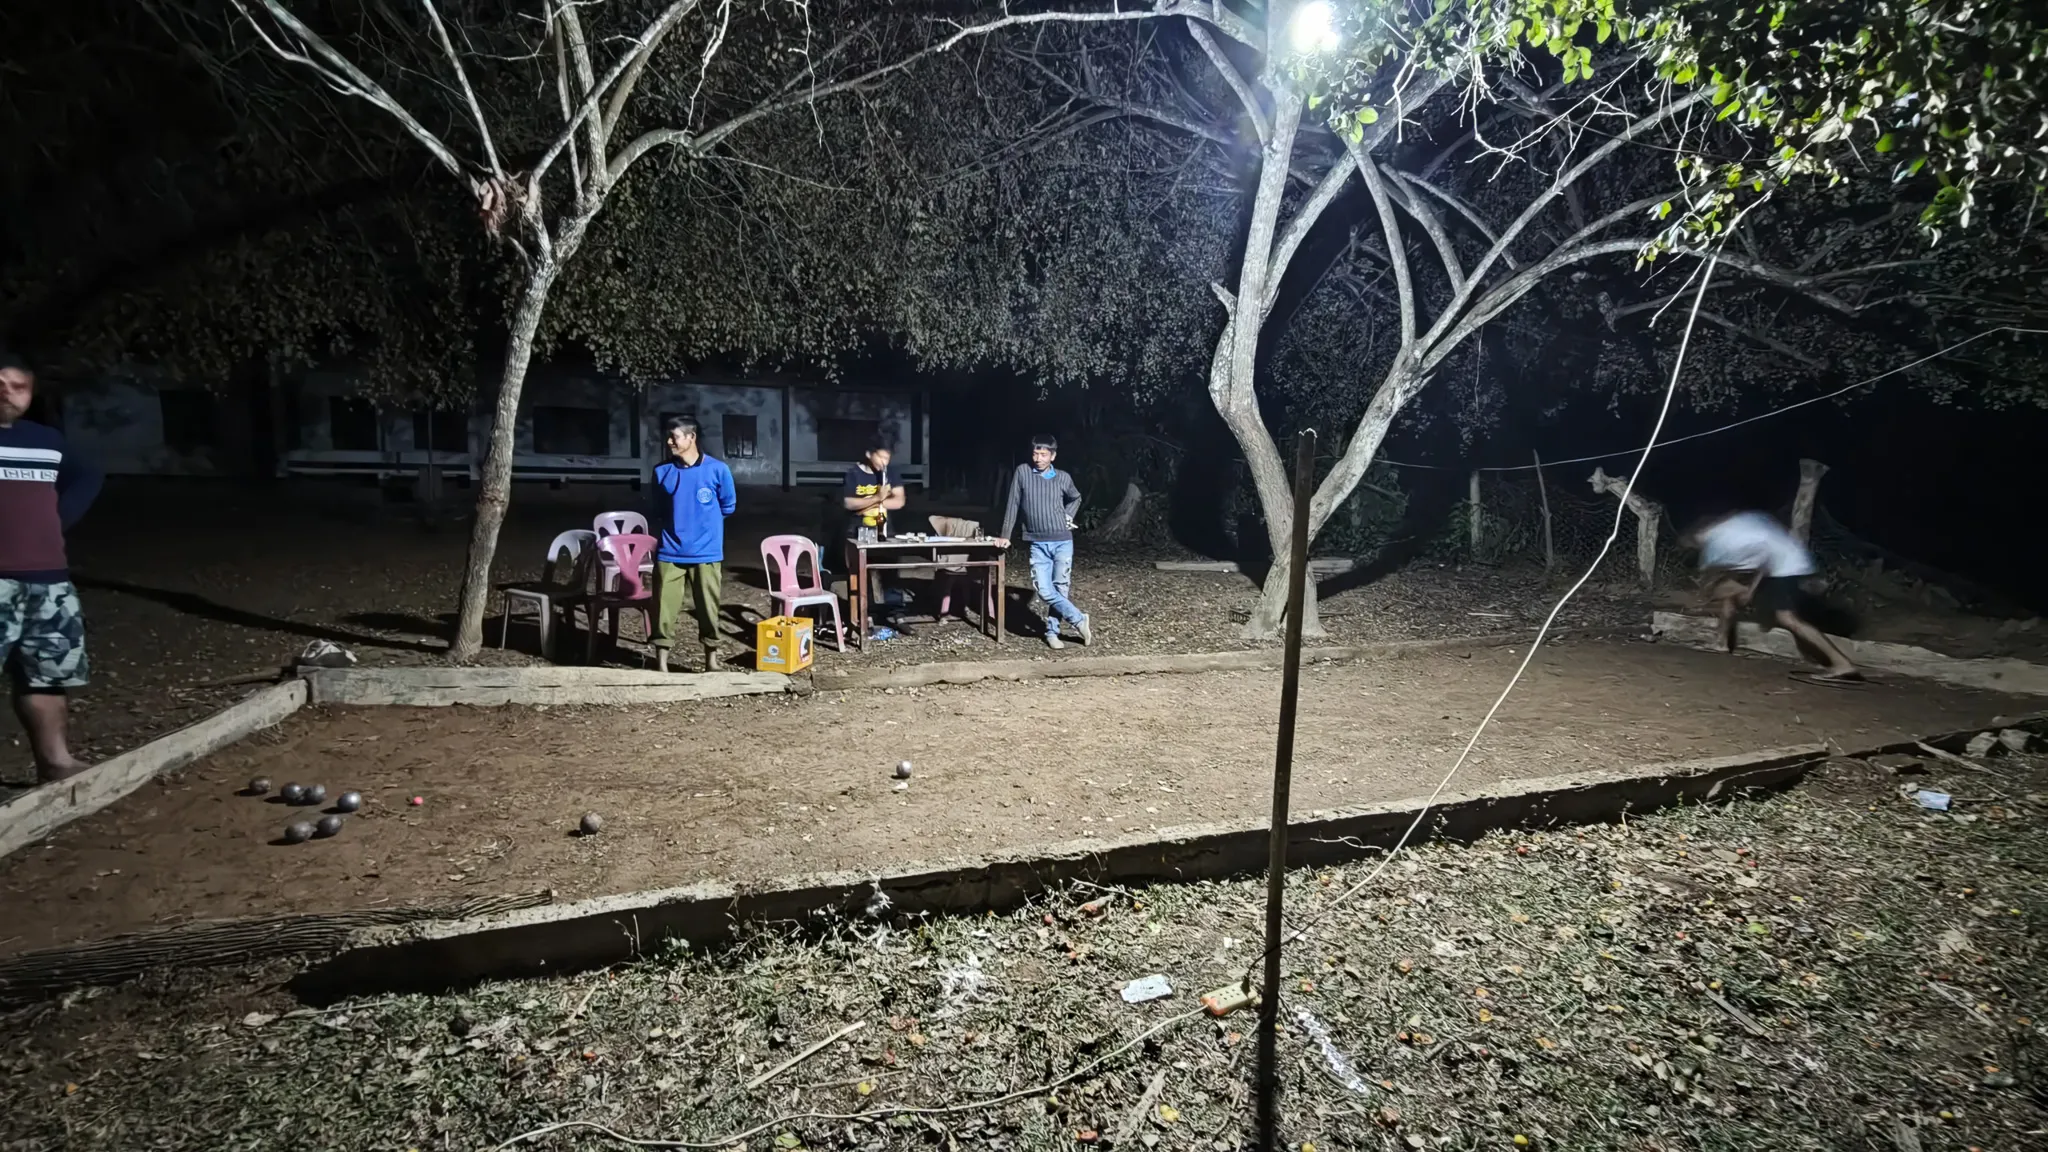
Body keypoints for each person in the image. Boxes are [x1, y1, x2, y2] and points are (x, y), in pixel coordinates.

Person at [0, 349, 103, 781]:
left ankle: (56, 763)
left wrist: (56, 522)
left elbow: (88, 475)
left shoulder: (46, 440)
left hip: (48, 584)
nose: (7, 392)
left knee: (45, 678)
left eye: (17, 385)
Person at [1684, 509, 1861, 683]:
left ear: (1699, 534)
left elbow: (1763, 556)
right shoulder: (1731, 529)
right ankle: (1721, 643)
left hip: (1785, 566)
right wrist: (1745, 588)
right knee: (1730, 594)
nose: (1696, 548)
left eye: (1694, 545)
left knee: (1787, 618)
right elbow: (1763, 545)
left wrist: (1750, 590)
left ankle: (1842, 664)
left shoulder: (1718, 539)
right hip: (1787, 560)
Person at [650, 415, 735, 673]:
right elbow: (658, 508)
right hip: (669, 552)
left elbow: (728, 505)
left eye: (674, 437)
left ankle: (711, 661)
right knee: (664, 609)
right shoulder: (661, 471)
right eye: (668, 436)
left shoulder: (718, 470)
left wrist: (704, 527)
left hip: (706, 553)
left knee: (709, 609)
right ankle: (661, 664)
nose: (669, 442)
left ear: (691, 437)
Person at [995, 434, 1091, 649]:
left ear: (1053, 456)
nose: (1038, 458)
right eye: (1035, 453)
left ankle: (1052, 632)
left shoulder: (1063, 478)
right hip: (1038, 543)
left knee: (1060, 588)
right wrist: (1005, 535)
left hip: (1062, 541)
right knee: (1045, 591)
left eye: (1044, 454)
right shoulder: (1023, 472)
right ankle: (1078, 619)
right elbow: (1013, 504)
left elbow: (1076, 497)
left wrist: (1068, 516)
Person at [841, 437, 907, 638]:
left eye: (888, 458)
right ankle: (865, 614)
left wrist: (868, 505)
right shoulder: (854, 474)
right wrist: (878, 498)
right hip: (858, 531)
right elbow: (848, 503)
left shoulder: (890, 473)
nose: (884, 463)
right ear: (869, 454)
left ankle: (896, 613)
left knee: (891, 573)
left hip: (885, 529)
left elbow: (899, 501)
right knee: (862, 573)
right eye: (881, 457)